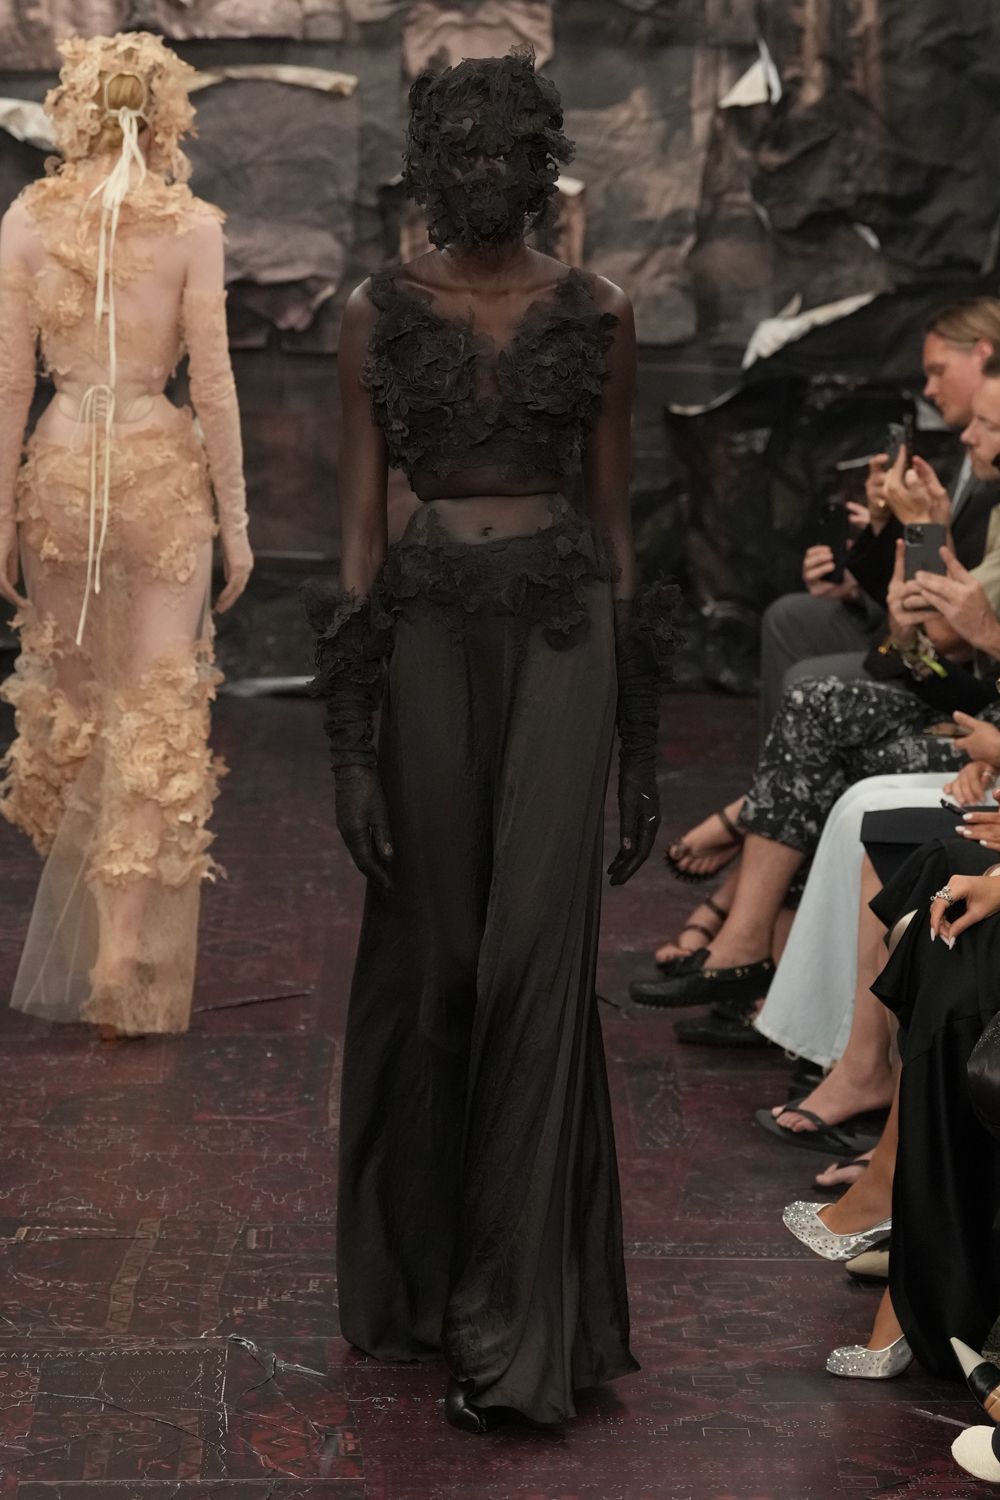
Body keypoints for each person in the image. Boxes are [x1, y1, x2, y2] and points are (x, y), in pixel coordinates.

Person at [306, 50, 671, 1432]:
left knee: (536, 958)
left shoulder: (601, 310)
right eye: (459, 150)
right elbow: (355, 536)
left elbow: (620, 525)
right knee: (440, 959)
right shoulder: (376, 311)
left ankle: (517, 1336)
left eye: (508, 150)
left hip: (566, 633)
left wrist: (642, 744)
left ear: (542, 162)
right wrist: (349, 745)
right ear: (425, 161)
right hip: (424, 636)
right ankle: (429, 1278)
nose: (484, 172)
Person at [0, 33, 253, 1038]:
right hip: (159, 465)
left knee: (77, 707)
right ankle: (121, 945)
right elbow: (216, 385)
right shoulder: (193, 226)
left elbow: (8, 386)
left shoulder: (27, 219)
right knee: (156, 703)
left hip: (61, 464)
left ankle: (105, 937)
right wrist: (239, 523)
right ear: (166, 113)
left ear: (74, 108)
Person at [632, 365, 1000, 1040]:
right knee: (812, 694)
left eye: (988, 425)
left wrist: (928, 551)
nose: (968, 436)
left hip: (980, 724)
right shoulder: (989, 500)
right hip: (969, 706)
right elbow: (917, 649)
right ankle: (745, 941)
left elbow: (948, 642)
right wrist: (895, 545)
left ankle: (753, 917)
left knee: (827, 736)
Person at [758, 297, 1000, 732]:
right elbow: (932, 570)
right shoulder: (966, 453)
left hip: (959, 674)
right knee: (789, 617)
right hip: (923, 639)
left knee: (807, 682)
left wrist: (921, 526)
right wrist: (881, 528)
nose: (929, 389)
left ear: (983, 353)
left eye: (938, 371)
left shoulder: (991, 465)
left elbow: (945, 630)